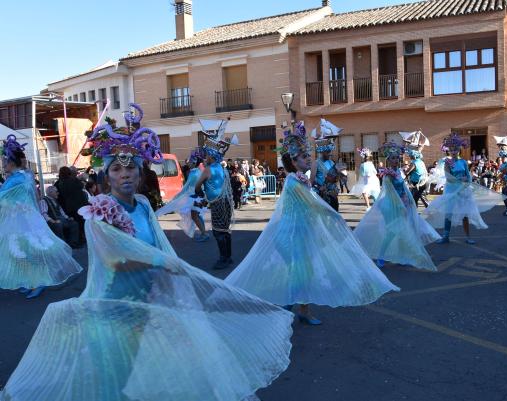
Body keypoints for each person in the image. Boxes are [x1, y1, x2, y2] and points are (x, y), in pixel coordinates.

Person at [1, 105, 294, 400]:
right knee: (119, 368)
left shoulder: (141, 203)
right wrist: (164, 264)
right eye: (116, 168)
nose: (125, 174)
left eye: (131, 167)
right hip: (119, 301)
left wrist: (169, 279)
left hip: (152, 294)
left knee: (152, 360)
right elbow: (113, 260)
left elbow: (156, 241)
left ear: (141, 172)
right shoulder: (100, 212)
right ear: (107, 175)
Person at [226, 122, 398, 325]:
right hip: (290, 236)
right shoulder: (292, 181)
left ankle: (295, 310)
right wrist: (334, 217)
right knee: (301, 273)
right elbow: (314, 205)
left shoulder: (299, 180)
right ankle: (289, 310)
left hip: (299, 233)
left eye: (309, 156)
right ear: (294, 161)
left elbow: (312, 203)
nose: (309, 159)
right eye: (305, 157)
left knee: (303, 272)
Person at [0, 135, 82, 299]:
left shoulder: (16, 179)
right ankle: (31, 281)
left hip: (20, 221)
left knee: (25, 251)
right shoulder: (25, 175)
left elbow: (4, 198)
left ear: (11, 162)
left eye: (4, 161)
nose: (2, 164)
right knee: (23, 251)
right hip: (25, 218)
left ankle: (39, 281)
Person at [354, 141, 438, 270]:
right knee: (391, 232)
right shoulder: (388, 174)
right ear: (388, 160)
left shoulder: (398, 171)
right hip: (391, 205)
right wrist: (399, 205)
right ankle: (381, 256)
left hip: (402, 203)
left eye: (396, 158)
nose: (395, 160)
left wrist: (408, 200)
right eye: (393, 158)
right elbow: (389, 192)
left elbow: (403, 187)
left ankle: (402, 256)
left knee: (403, 230)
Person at [423, 133, 502, 245]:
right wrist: (460, 180)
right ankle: (446, 236)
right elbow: (448, 178)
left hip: (464, 190)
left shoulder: (463, 162)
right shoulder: (447, 162)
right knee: (449, 213)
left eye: (456, 149)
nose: (454, 151)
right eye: (452, 150)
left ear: (459, 149)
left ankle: (468, 236)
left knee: (465, 214)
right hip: (451, 190)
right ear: (449, 151)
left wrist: (466, 181)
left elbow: (468, 176)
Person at [195, 124, 235, 270]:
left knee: (218, 231)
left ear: (211, 156)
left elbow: (197, 185)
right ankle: (228, 257)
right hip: (226, 202)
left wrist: (200, 192)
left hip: (217, 203)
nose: (205, 157)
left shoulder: (208, 170)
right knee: (225, 230)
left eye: (207, 155)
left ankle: (223, 258)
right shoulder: (222, 168)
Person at [156, 149, 210, 242]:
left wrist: (177, 197)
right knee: (196, 215)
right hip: (198, 196)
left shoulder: (194, 173)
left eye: (191, 161)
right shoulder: (198, 171)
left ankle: (204, 233)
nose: (188, 163)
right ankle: (203, 232)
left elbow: (186, 187)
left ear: (194, 162)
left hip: (195, 196)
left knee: (195, 216)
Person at [313, 135, 340, 211]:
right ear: (322, 151)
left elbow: (334, 177)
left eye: (330, 151)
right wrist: (319, 187)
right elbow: (311, 181)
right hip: (321, 195)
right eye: (328, 152)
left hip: (332, 195)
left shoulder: (331, 162)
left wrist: (337, 177)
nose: (330, 153)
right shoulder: (316, 163)